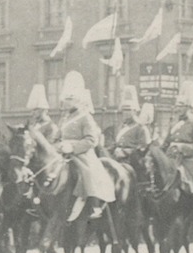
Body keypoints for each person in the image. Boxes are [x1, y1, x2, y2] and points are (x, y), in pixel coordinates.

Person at [56, 72, 115, 222]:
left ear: (77, 99)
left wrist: (73, 147)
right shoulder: (64, 118)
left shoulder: (85, 117)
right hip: (63, 153)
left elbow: (91, 140)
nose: (67, 102)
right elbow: (57, 137)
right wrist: (59, 146)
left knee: (87, 171)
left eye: (70, 99)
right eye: (66, 99)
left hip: (82, 153)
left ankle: (93, 204)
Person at [110, 87, 150, 165]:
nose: (126, 113)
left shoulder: (140, 128)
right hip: (116, 158)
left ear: (134, 111)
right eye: (124, 110)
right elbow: (115, 144)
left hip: (132, 161)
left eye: (129, 110)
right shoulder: (120, 127)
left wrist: (125, 152)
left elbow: (142, 148)